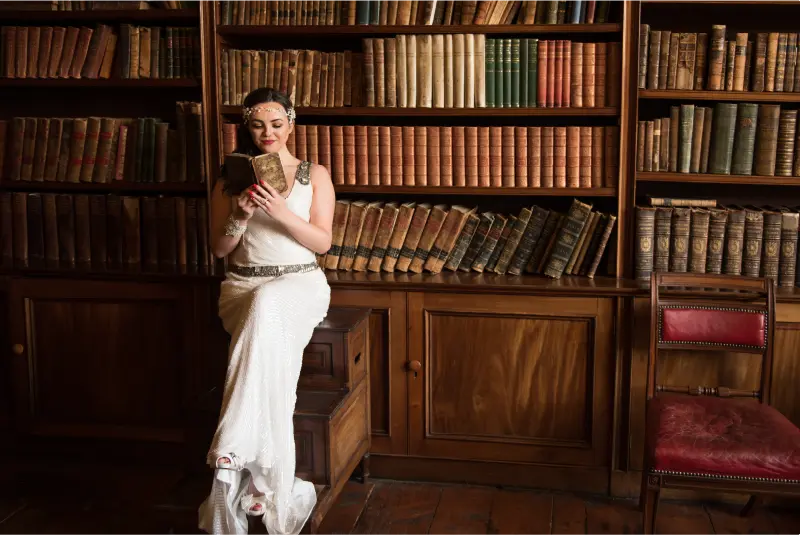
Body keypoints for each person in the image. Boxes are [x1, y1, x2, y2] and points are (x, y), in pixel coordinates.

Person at [198, 87, 335, 535]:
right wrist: (238, 214)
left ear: (291, 124)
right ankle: (265, 483)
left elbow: (321, 242)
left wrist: (279, 210)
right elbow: (220, 250)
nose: (268, 133)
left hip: (299, 282)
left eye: (277, 124)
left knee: (270, 301)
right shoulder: (229, 178)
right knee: (261, 305)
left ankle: (230, 452)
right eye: (258, 125)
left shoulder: (315, 175)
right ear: (247, 129)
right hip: (243, 285)